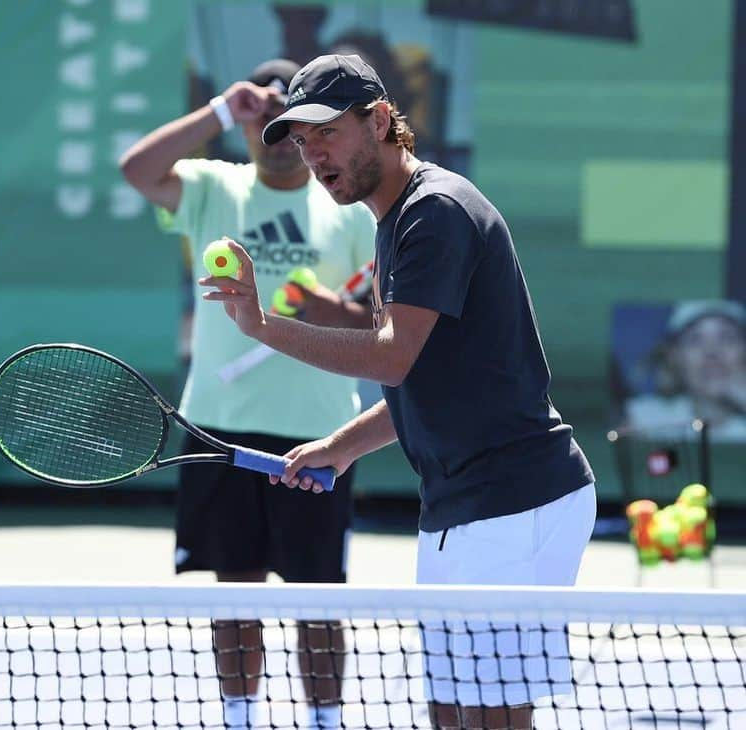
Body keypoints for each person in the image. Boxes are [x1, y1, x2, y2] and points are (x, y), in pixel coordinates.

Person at [199, 54, 596, 730]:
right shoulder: (398, 221)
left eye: (325, 131)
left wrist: (262, 326)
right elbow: (433, 378)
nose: (312, 153)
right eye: (300, 139)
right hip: (459, 502)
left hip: (514, 499)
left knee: (494, 718)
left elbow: (393, 357)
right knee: (450, 712)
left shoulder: (434, 212)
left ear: (380, 120)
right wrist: (342, 446)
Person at [120, 59, 377, 730]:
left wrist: (332, 314)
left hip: (320, 436)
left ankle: (325, 721)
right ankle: (239, 719)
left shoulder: (347, 206)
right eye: (262, 114)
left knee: (319, 600)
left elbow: (382, 326)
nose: (276, 128)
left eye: (291, 118)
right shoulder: (212, 189)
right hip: (220, 433)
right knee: (235, 594)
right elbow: (136, 170)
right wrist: (218, 109)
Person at [625, 300, 746, 441]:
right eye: (695, 340)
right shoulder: (644, 421)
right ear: (675, 356)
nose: (712, 352)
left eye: (727, 338)